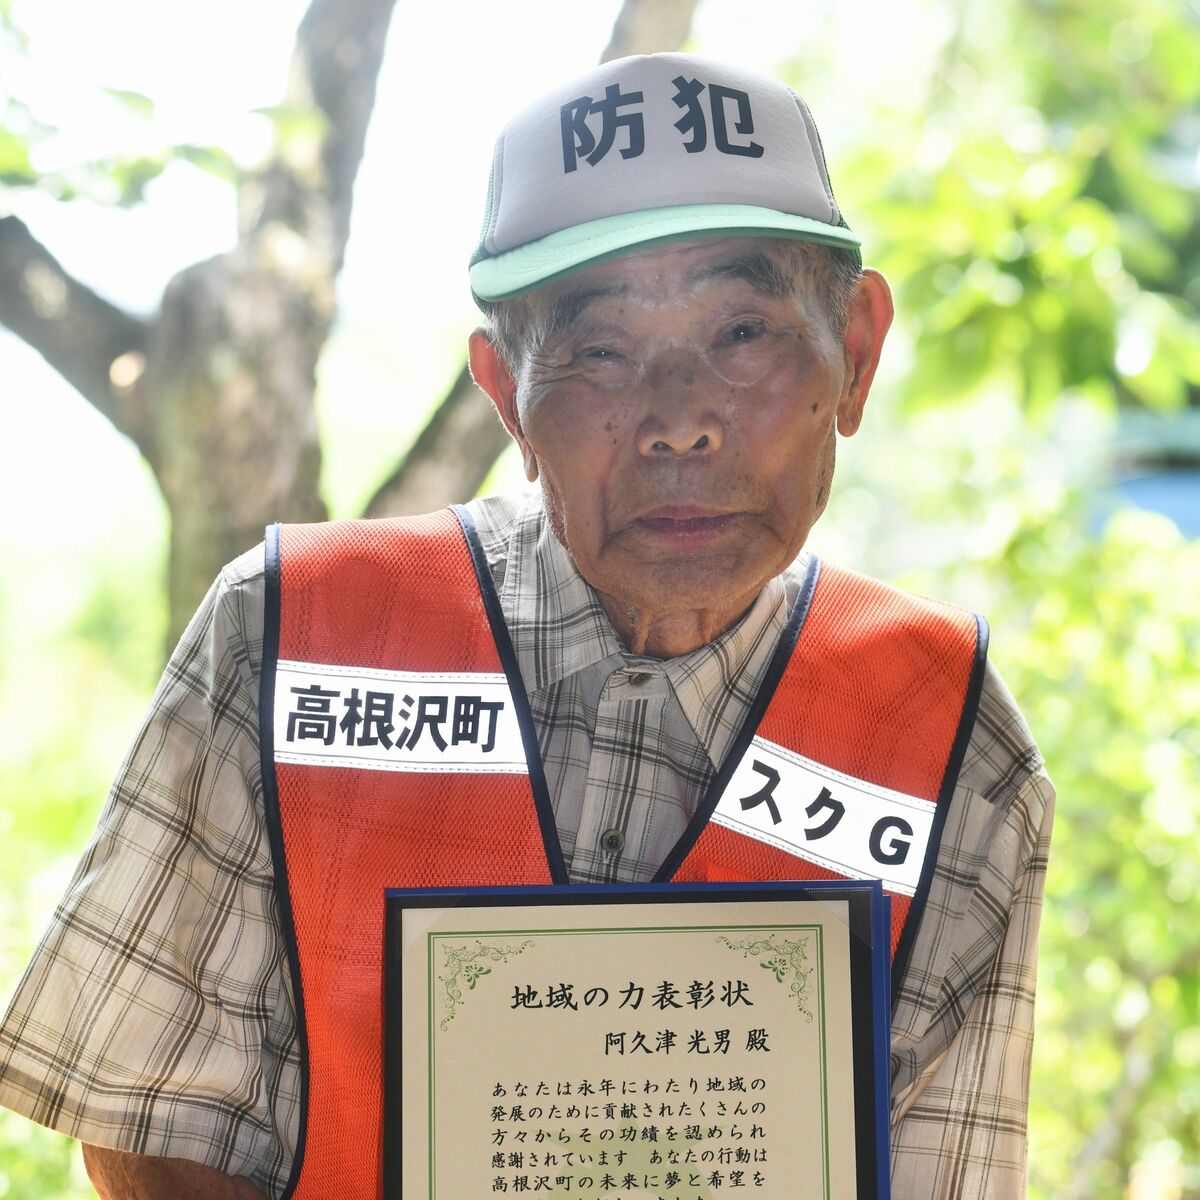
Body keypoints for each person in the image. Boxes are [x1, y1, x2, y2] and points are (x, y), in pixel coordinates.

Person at [0, 53, 1053, 1200]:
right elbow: (150, 1123)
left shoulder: (947, 735)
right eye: (601, 349)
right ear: (505, 394)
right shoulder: (291, 635)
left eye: (743, 331)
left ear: (853, 352)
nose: (680, 420)